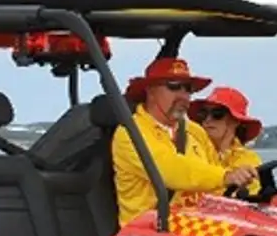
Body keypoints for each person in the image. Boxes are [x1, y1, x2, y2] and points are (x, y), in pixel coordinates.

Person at [110, 57, 258, 225]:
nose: (184, 96)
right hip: (147, 233)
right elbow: (169, 169)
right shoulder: (129, 134)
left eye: (188, 89)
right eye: (174, 86)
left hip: (193, 225)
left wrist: (252, 191)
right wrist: (226, 176)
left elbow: (216, 180)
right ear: (150, 91)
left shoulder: (194, 131)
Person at [191, 85, 264, 195]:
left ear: (235, 121)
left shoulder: (248, 160)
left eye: (217, 114)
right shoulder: (191, 151)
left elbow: (252, 197)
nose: (207, 119)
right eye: (203, 113)